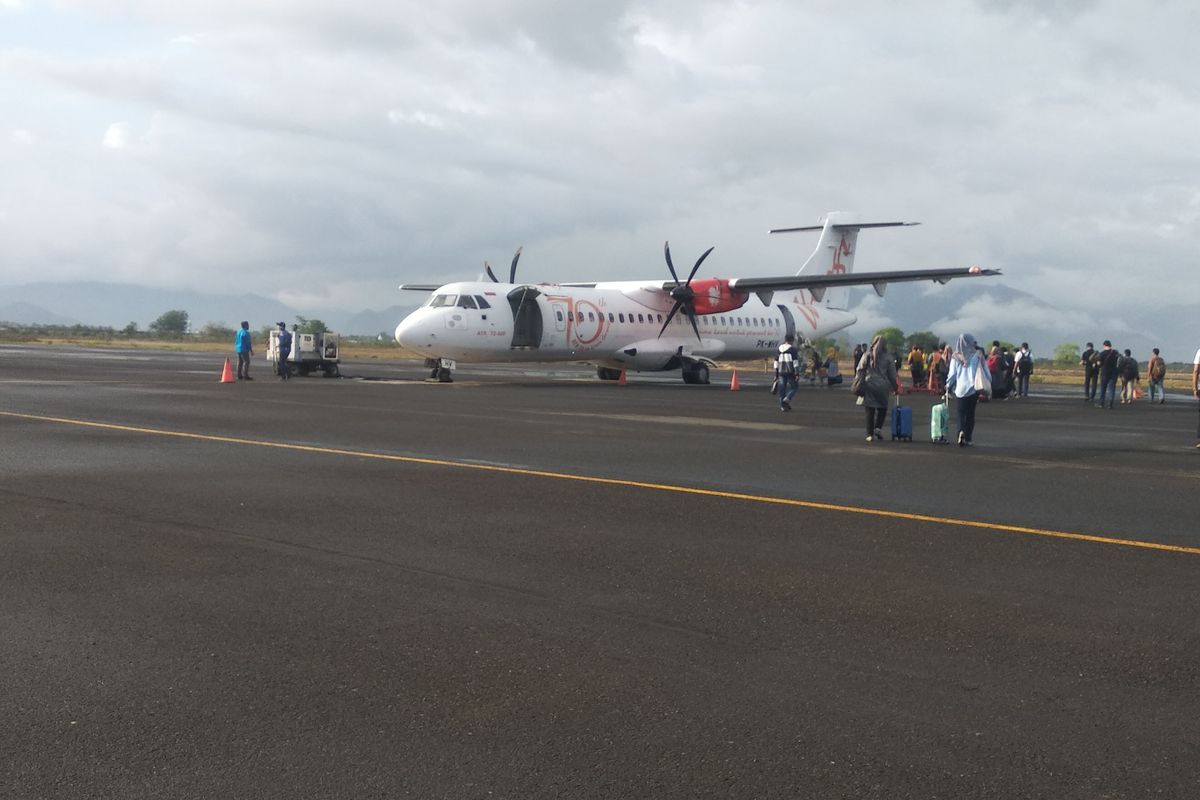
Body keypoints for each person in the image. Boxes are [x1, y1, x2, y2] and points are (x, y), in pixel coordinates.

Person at [945, 333, 987, 446]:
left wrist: (948, 386)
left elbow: (952, 374)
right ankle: (968, 438)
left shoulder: (955, 357)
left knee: (960, 413)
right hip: (974, 389)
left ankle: (960, 431)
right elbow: (985, 371)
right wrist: (988, 381)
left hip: (960, 390)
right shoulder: (978, 355)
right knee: (970, 414)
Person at [856, 335, 897, 442]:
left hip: (869, 384)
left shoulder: (867, 355)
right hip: (883, 386)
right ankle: (878, 428)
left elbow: (859, 369)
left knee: (870, 409)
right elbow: (892, 375)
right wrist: (895, 387)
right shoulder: (888, 358)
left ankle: (869, 434)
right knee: (882, 408)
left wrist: (858, 381)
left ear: (873, 343)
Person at [774, 334, 800, 411]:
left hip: (781, 372)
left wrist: (776, 374)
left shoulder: (779, 349)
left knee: (782, 389)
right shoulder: (792, 349)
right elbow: (795, 363)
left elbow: (776, 362)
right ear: (791, 341)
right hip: (790, 372)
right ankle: (787, 399)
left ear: (785, 340)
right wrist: (797, 373)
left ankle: (783, 406)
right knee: (794, 387)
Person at [1095, 340, 1119, 409]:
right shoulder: (1115, 352)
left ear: (1104, 346)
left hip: (1105, 372)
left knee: (1103, 388)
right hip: (1114, 372)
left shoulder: (1102, 353)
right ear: (1110, 345)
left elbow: (1099, 363)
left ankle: (1101, 403)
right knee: (1111, 388)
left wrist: (1097, 364)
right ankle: (1110, 403)